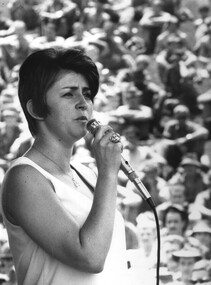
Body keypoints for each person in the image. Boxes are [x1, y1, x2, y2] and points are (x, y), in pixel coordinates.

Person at [0, 48, 129, 284]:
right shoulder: (24, 177)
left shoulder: (87, 173)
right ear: (36, 109)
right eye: (69, 94)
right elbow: (90, 257)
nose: (84, 104)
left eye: (87, 94)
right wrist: (109, 173)